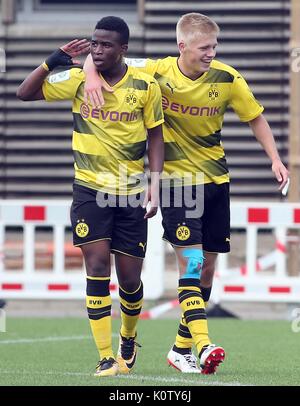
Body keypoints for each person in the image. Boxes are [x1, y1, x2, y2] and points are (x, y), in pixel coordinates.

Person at [83, 12, 289, 375]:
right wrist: (87, 73)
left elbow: (255, 117)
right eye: (205, 47)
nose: (212, 53)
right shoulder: (158, 70)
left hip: (216, 181)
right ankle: (204, 342)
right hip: (178, 185)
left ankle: (181, 348)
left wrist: (275, 159)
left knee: (207, 269)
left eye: (215, 46)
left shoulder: (227, 79)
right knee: (191, 264)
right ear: (183, 46)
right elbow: (101, 55)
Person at [16, 16, 164, 377]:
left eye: (106, 45)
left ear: (123, 49)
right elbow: (24, 92)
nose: (97, 50)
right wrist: (54, 58)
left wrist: (155, 184)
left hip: (130, 195)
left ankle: (127, 338)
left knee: (130, 281)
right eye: (94, 44)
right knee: (97, 268)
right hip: (89, 190)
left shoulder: (145, 86)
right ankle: (104, 356)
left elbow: (156, 135)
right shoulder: (81, 79)